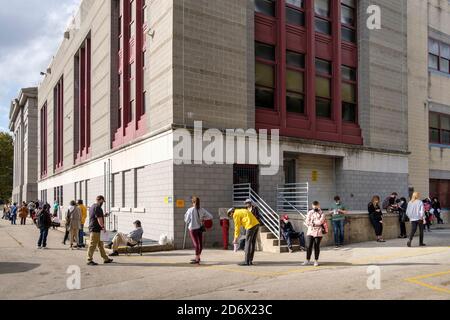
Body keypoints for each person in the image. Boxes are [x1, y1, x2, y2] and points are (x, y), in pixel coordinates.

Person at [184, 197, 213, 265]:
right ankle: (198, 257)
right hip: (200, 228)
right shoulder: (202, 210)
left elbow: (186, 220)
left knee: (196, 244)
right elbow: (211, 216)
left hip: (193, 229)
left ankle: (197, 259)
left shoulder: (190, 210)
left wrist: (186, 217)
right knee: (200, 244)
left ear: (193, 202)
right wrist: (203, 219)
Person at [87, 196, 114, 266]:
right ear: (100, 200)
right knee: (92, 245)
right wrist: (103, 227)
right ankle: (89, 260)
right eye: (102, 201)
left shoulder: (92, 206)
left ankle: (106, 259)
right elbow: (99, 218)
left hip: (95, 229)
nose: (103, 203)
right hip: (96, 229)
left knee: (100, 245)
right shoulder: (98, 207)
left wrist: (104, 215)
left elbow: (96, 216)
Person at [302, 201, 326, 267]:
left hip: (318, 232)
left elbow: (320, 222)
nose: (315, 207)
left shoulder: (322, 213)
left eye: (316, 206)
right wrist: (313, 223)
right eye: (314, 206)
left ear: (319, 205)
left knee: (316, 246)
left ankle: (316, 260)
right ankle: (307, 259)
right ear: (312, 206)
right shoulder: (310, 212)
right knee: (308, 246)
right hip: (310, 231)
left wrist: (312, 222)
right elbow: (307, 221)